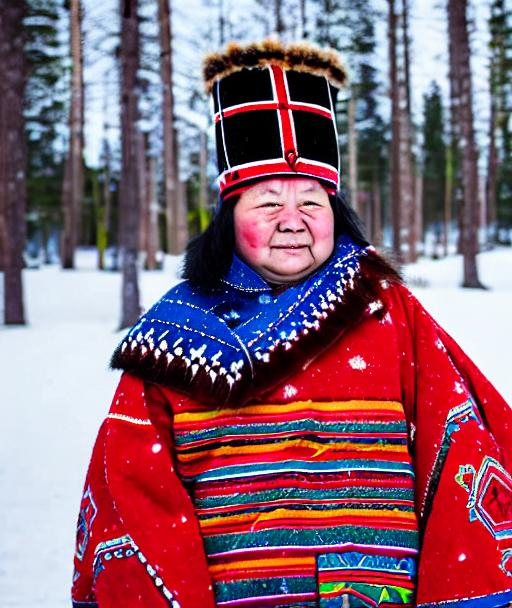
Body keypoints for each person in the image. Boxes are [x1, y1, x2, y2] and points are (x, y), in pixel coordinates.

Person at [71, 40, 512, 608]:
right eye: (267, 203)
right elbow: (131, 491)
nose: (292, 222)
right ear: (229, 218)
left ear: (337, 214)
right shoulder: (173, 337)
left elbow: (460, 445)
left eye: (312, 203)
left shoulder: (389, 312)